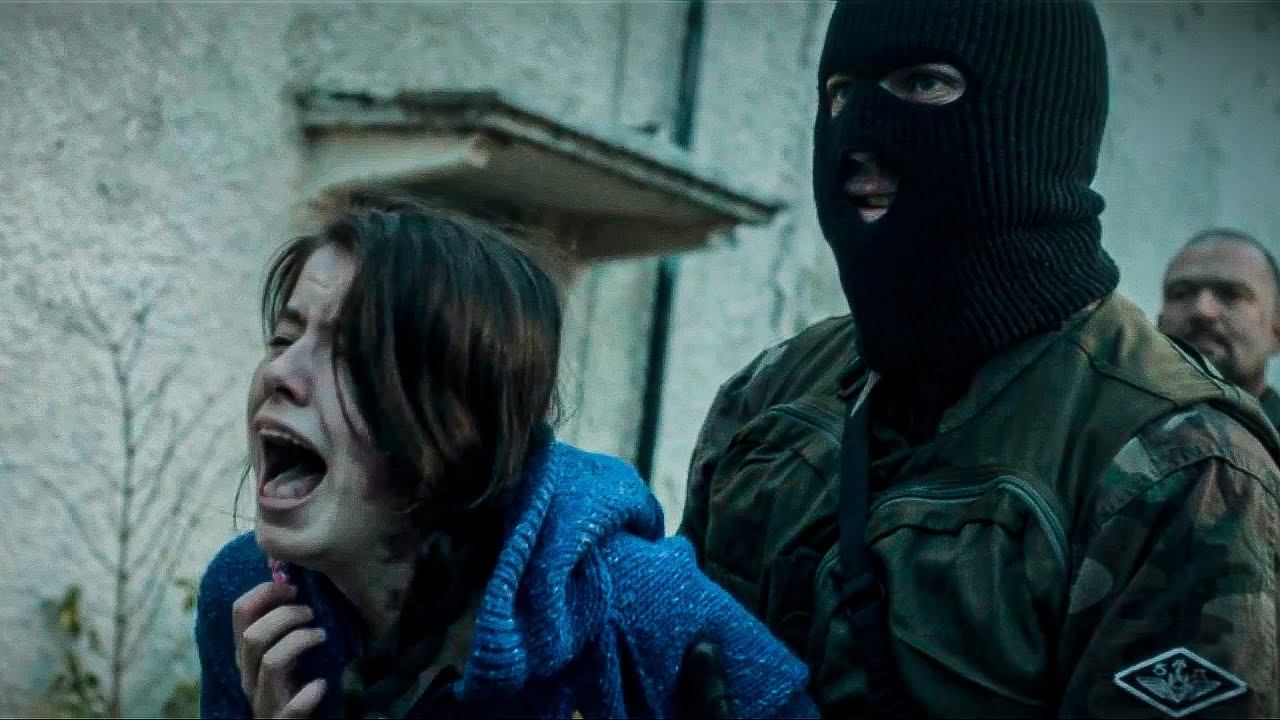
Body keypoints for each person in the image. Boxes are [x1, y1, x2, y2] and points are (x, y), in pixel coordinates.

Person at [679, 1, 1280, 717]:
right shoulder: (773, 392)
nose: (860, 133)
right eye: (839, 93)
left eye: (924, 83)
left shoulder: (1178, 460)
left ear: (1038, 121)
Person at [195, 199, 817, 719]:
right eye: (283, 338)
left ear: (454, 424)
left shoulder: (636, 604)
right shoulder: (248, 599)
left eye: (350, 353)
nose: (279, 372)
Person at [1159, 227, 1280, 427]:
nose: (1202, 310)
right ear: (1159, 323)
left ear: (1276, 331)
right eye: (1181, 293)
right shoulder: (1114, 431)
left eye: (1232, 294)